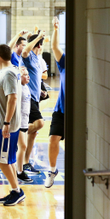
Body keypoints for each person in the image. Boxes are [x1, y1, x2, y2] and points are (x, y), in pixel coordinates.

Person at [0, 43, 25, 206]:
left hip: (6, 124)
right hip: (2, 122)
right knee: (5, 159)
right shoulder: (9, 68)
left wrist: (7, 123)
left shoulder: (8, 73)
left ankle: (17, 191)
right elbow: (4, 52)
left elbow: (13, 98)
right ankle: (15, 190)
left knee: (0, 159)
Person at [21, 30, 47, 175]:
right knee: (40, 123)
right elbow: (25, 50)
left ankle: (25, 162)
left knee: (34, 132)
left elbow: (37, 78)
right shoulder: (29, 56)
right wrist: (38, 37)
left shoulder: (38, 59)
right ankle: (16, 135)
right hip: (27, 97)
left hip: (35, 97)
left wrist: (40, 91)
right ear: (39, 45)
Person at [45, 17, 66, 188]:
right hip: (61, 110)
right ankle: (52, 171)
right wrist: (56, 28)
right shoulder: (65, 62)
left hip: (78, 112)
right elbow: (54, 47)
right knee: (53, 139)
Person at [16, 67, 33, 183]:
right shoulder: (18, 88)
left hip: (25, 120)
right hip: (18, 122)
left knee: (22, 146)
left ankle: (18, 169)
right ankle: (19, 172)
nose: (28, 76)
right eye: (25, 75)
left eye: (28, 74)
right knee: (22, 146)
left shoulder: (26, 87)